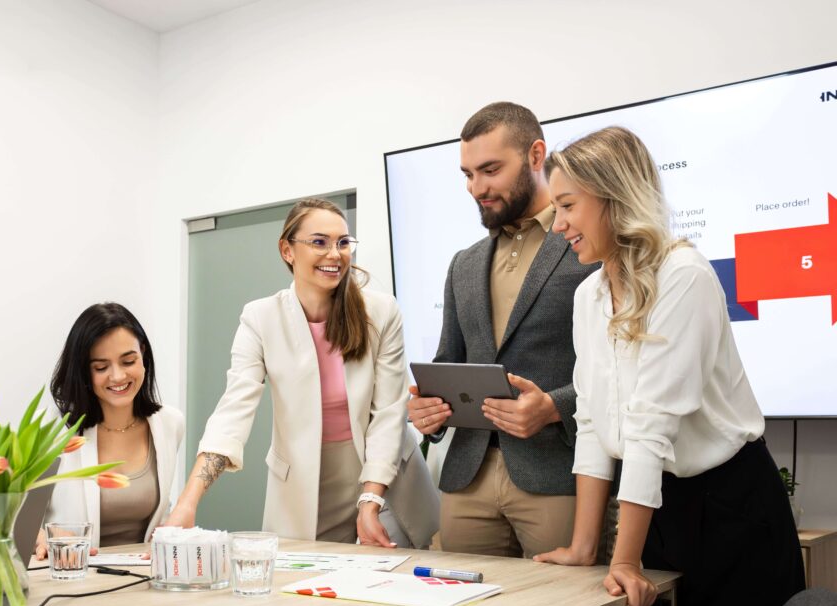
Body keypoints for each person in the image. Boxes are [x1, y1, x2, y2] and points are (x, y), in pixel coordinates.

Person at [535, 126, 804, 606]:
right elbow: (590, 420)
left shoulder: (683, 275)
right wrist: (585, 546)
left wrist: (624, 560)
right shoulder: (588, 296)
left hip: (728, 508)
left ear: (613, 197)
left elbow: (650, 424)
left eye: (567, 206)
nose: (557, 224)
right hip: (657, 506)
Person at [164, 198, 439, 548]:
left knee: (389, 576)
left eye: (343, 242)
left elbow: (389, 412)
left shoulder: (380, 311)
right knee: (306, 579)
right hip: (307, 483)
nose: (334, 254)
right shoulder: (261, 318)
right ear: (287, 250)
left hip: (384, 478)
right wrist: (188, 503)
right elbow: (232, 412)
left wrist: (370, 498)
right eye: (319, 242)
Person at [407, 102, 599, 558]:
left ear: (536, 155)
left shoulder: (589, 245)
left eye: (490, 170)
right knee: (460, 602)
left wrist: (554, 407)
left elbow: (616, 369)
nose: (477, 188)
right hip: (467, 476)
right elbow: (449, 362)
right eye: (468, 174)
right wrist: (428, 410)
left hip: (557, 471)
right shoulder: (464, 263)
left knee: (562, 602)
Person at [36, 303, 184, 558]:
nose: (118, 376)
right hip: (73, 573)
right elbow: (6, 513)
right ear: (83, 371)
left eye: (128, 361)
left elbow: (161, 511)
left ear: (143, 355)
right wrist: (44, 537)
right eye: (101, 367)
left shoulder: (169, 423)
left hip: (143, 573)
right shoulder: (52, 428)